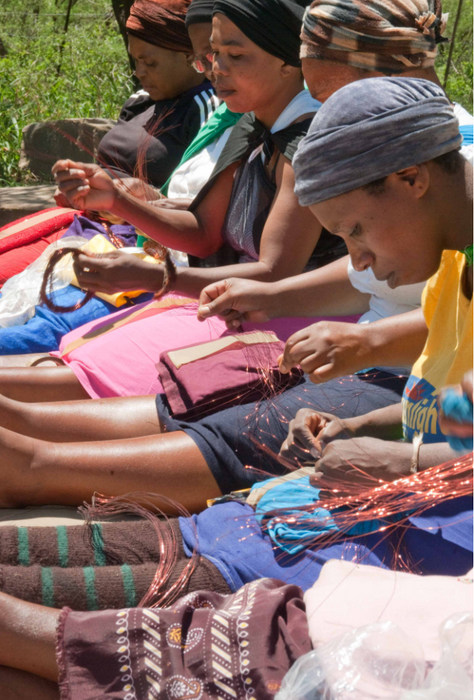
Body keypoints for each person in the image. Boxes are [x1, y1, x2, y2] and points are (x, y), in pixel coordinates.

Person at [0, 0, 217, 291]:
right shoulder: (140, 101)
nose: (139, 71)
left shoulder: (206, 108)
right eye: (135, 61)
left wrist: (134, 197)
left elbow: (201, 201)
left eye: (150, 63)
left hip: (132, 237)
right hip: (83, 220)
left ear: (190, 56)